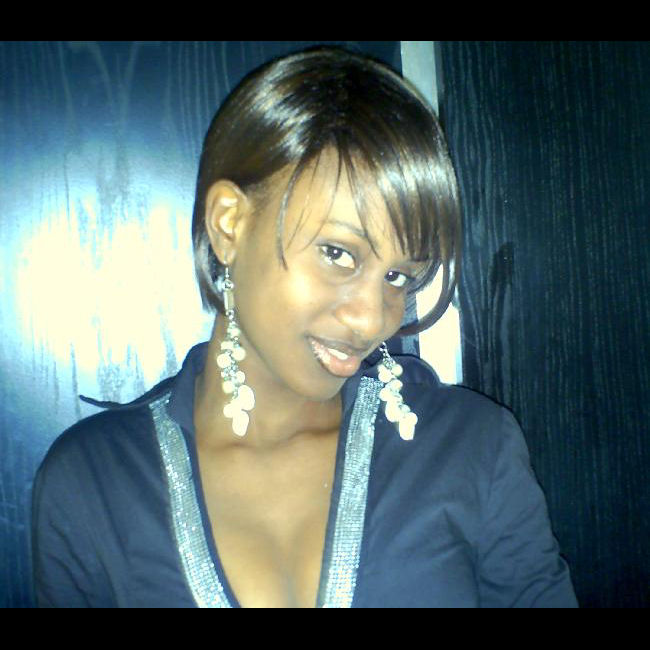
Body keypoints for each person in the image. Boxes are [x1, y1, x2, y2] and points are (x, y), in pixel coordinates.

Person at [31, 46, 578, 608]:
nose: (373, 318)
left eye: (397, 276)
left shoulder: (471, 447)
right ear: (229, 224)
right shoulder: (94, 481)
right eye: (338, 253)